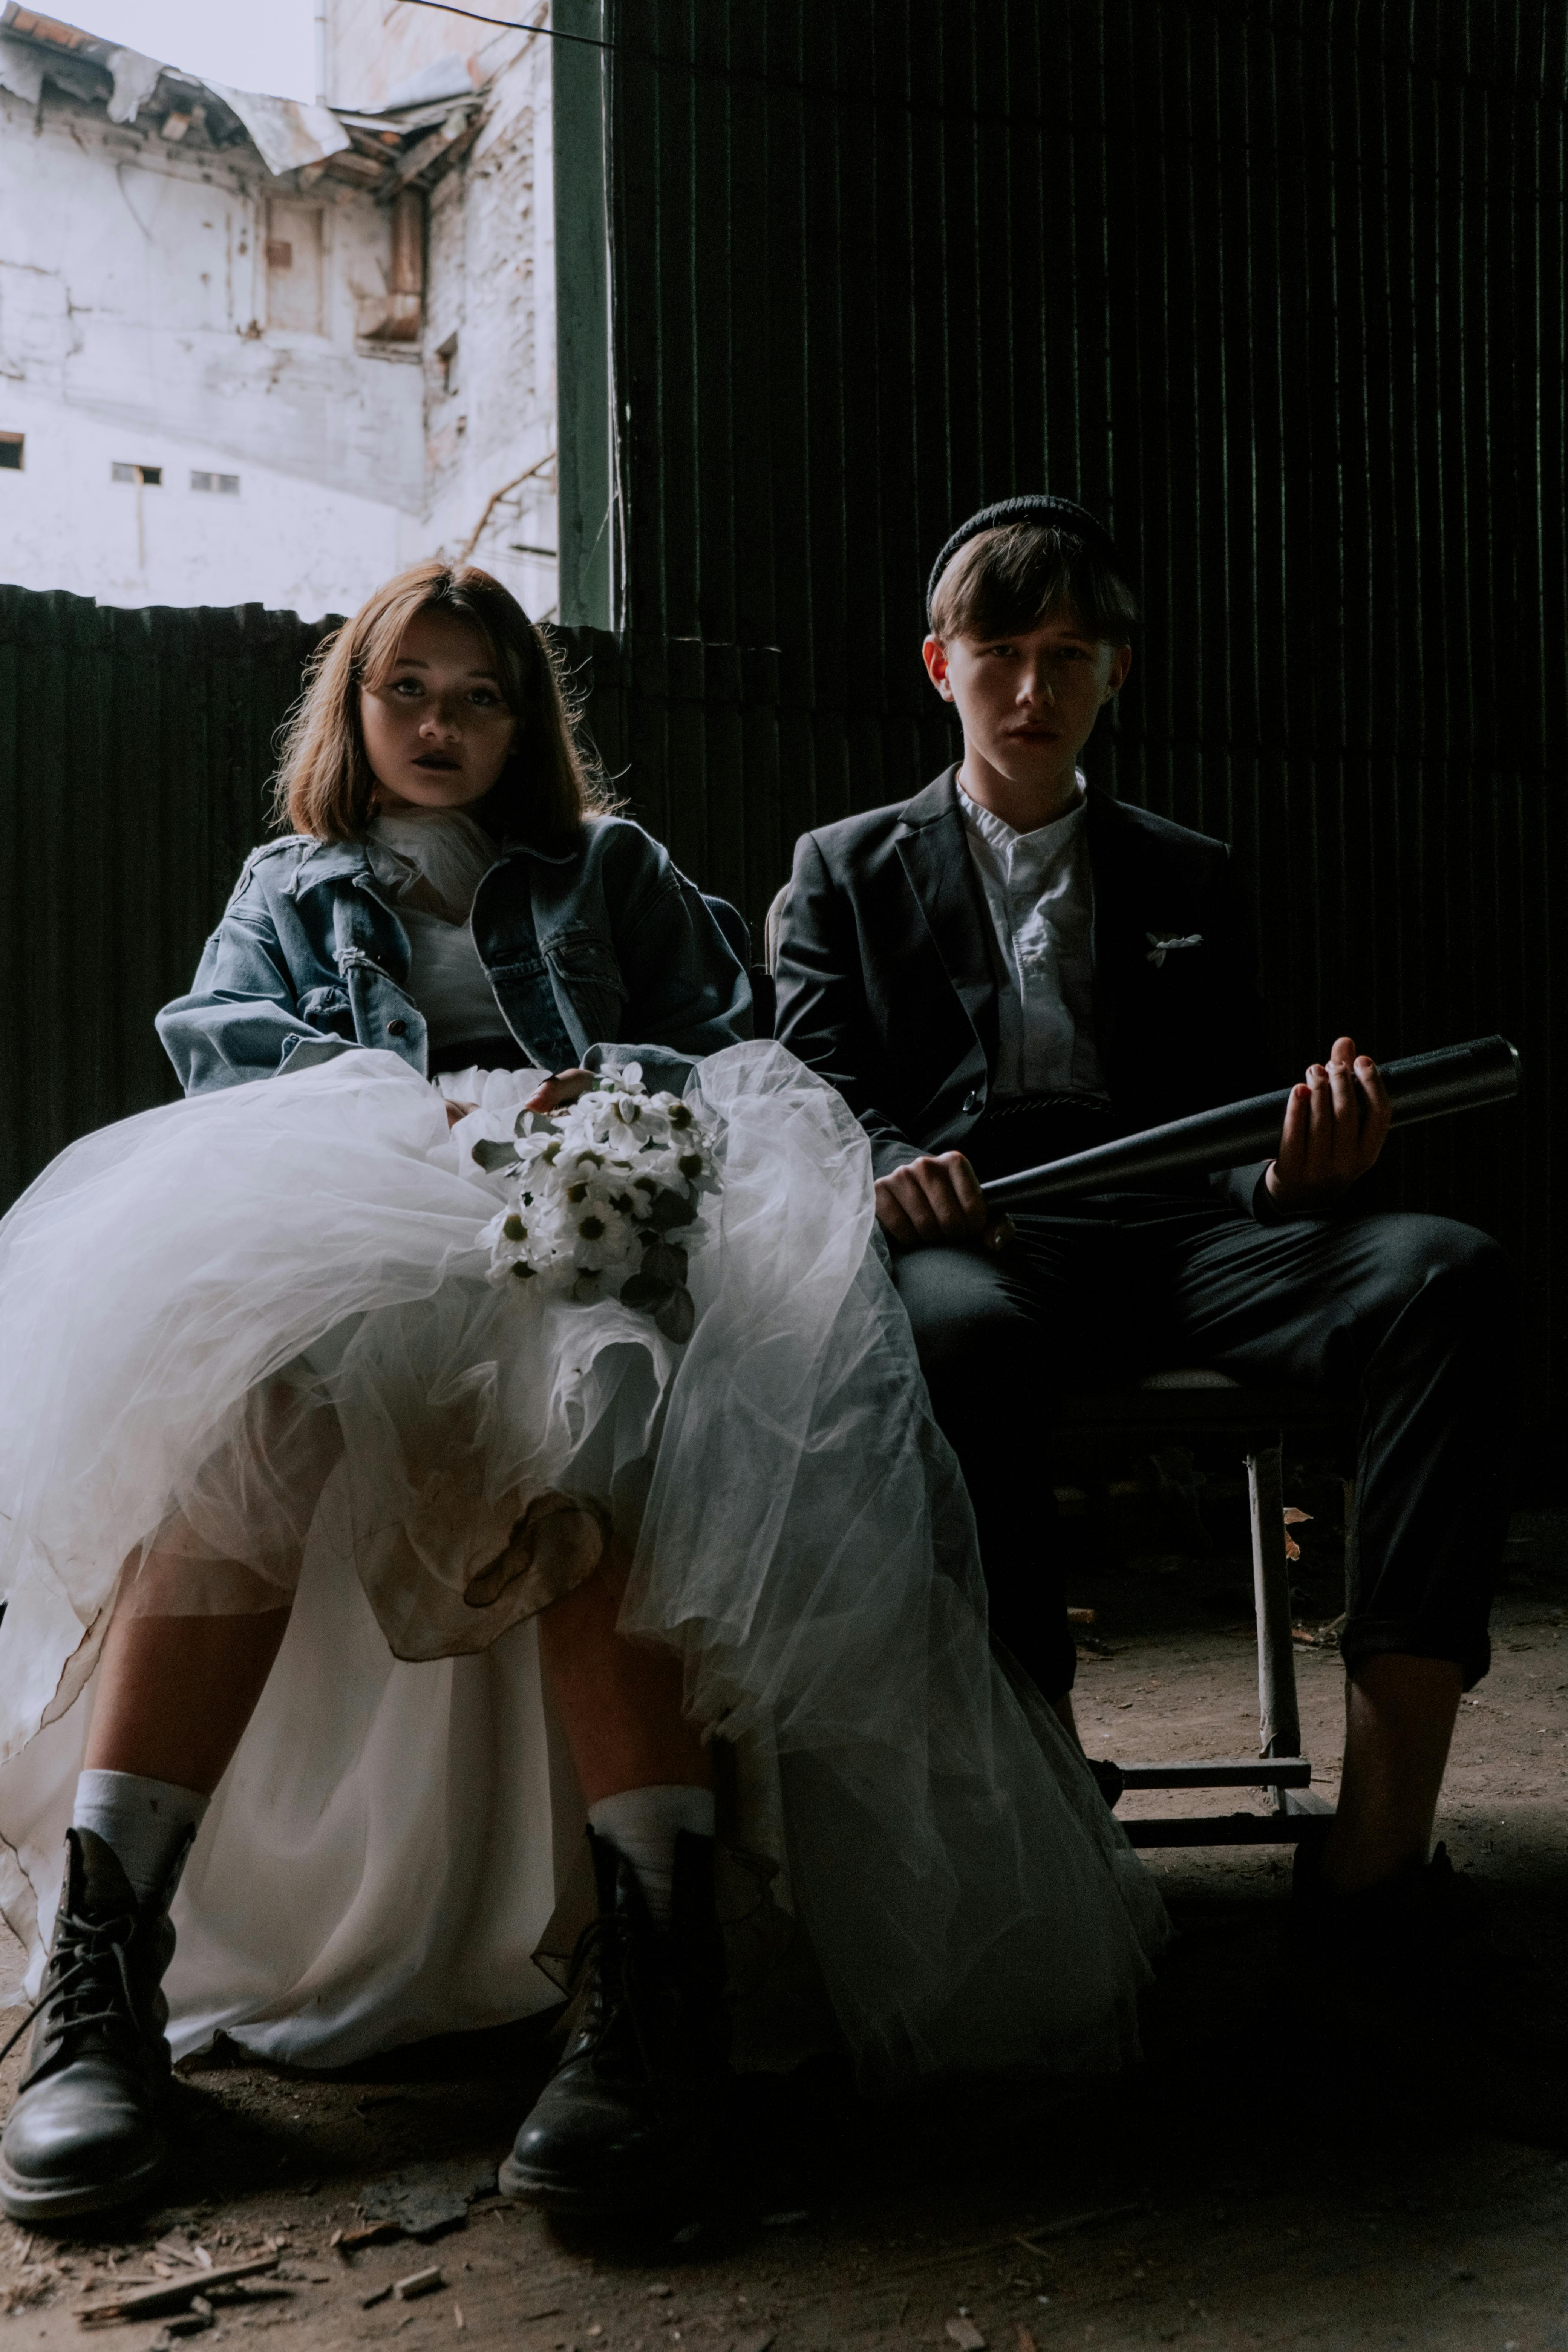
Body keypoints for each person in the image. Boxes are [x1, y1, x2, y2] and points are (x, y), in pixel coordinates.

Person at [0, 561, 1166, 2227]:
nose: (441, 725)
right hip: (361, 1204)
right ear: (354, 708)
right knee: (252, 1397)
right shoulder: (292, 879)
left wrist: (597, 1099)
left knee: (608, 1391)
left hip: (572, 1218)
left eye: (479, 697)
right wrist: (389, 1109)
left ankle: (654, 1968)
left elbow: (724, 1038)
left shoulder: (607, 867)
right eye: (408, 691)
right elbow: (219, 1037)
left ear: (524, 723)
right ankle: (105, 1963)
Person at [773, 494, 1520, 1969]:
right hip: (976, 1240)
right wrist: (888, 1165)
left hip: (1181, 1238)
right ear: (940, 668)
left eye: (1069, 654)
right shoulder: (841, 869)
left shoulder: (1190, 870)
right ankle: (1046, 1818)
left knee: (1449, 1276)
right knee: (951, 1336)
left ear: (1119, 673)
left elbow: (1236, 1128)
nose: (1033, 689)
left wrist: (1298, 1173)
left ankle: (1373, 1853)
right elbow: (808, 1095)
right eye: (1000, 653)